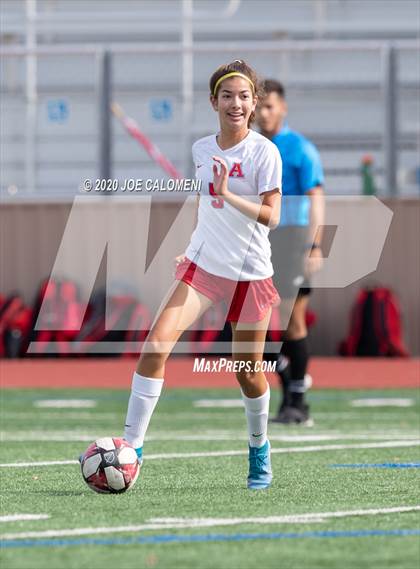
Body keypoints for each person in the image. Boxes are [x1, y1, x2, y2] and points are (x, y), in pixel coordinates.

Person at [122, 60, 282, 489]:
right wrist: (190, 249)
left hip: (251, 276)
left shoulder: (264, 151)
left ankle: (259, 448)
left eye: (244, 96)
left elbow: (271, 216)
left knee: (246, 371)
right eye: (227, 95)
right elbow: (202, 205)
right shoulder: (200, 149)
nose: (236, 103)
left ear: (254, 103)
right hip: (205, 269)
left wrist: (228, 193)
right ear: (214, 101)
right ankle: (131, 451)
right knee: (155, 345)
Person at [256, 79, 325, 425]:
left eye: (270, 106)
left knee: (290, 321)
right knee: (262, 324)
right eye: (259, 106)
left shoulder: (300, 148)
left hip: (293, 238)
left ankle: (297, 400)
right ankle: (290, 392)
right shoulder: (247, 147)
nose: (263, 113)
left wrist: (314, 244)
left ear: (282, 108)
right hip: (257, 240)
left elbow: (316, 199)